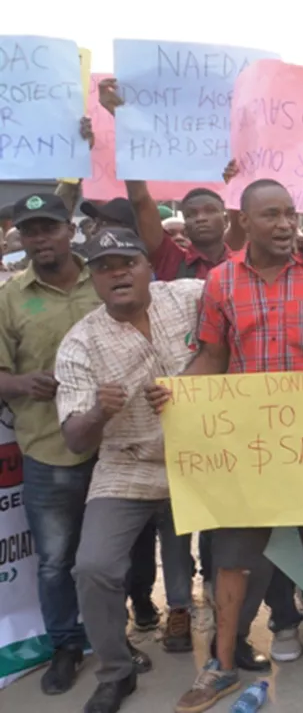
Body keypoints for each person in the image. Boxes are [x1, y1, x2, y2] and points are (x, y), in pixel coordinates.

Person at [152, 179, 303, 712]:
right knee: (232, 558)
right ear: (245, 222)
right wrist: (177, 393)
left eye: (291, 214)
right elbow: (212, 358)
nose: (286, 225)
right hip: (248, 444)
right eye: (272, 216)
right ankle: (221, 667)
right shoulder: (219, 283)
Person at [55, 229, 204, 713]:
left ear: (148, 267)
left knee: (237, 553)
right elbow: (76, 437)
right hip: (128, 465)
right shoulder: (80, 343)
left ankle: (232, 646)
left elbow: (244, 285)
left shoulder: (185, 296)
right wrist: (99, 411)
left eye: (128, 262)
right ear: (91, 279)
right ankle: (116, 672)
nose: (117, 273)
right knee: (93, 567)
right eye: (103, 267)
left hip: (205, 457)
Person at [0, 193, 103, 696]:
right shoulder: (10, 297)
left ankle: (112, 641)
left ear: (70, 230)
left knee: (110, 556)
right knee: (55, 559)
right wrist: (22, 384)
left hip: (115, 445)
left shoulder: (103, 278)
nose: (40, 239)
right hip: (48, 449)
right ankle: (66, 644)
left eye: (49, 228)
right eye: (29, 231)